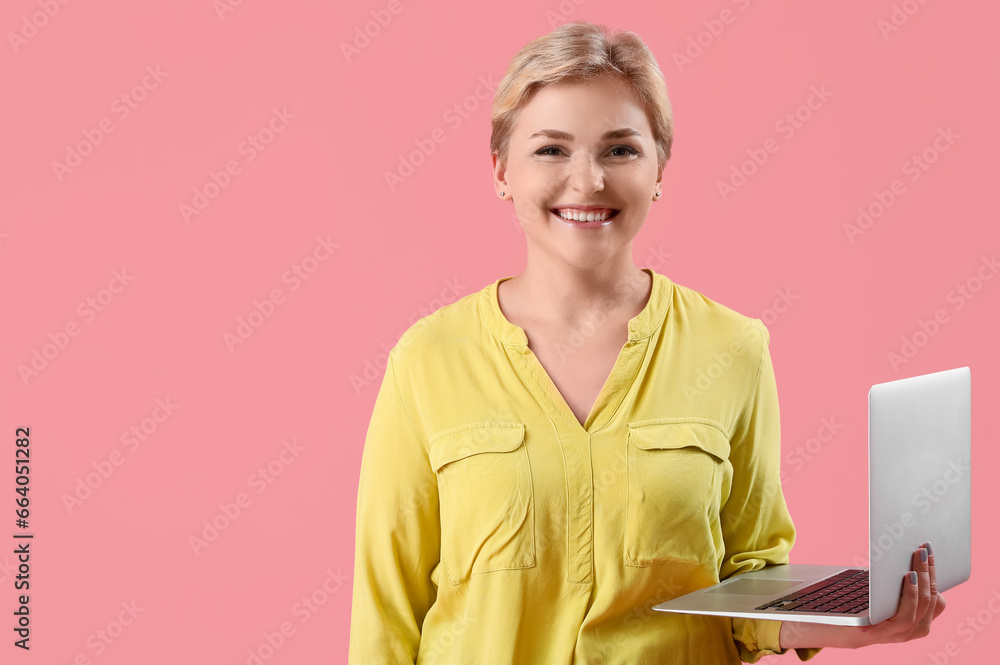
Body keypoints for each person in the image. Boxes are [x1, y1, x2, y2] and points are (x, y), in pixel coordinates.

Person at [349, 20, 946, 664]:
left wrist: (858, 620)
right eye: (551, 150)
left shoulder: (733, 347)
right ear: (501, 169)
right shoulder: (427, 360)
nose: (587, 182)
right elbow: (387, 608)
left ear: (660, 166)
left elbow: (750, 576)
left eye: (620, 150)